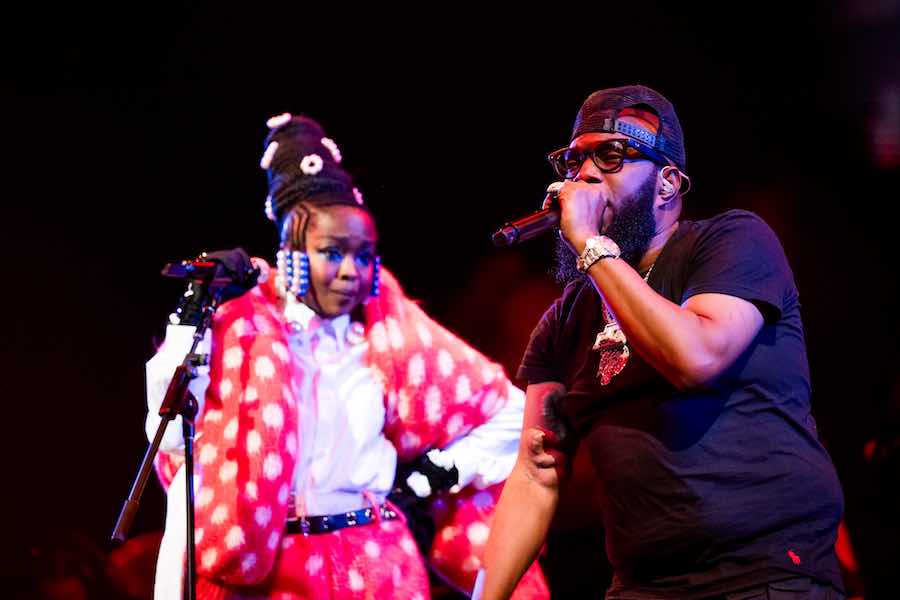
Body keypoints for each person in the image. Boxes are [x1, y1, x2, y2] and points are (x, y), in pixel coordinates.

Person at [145, 114, 548, 599]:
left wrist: (443, 469)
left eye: (363, 255)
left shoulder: (389, 335)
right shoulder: (238, 328)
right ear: (293, 249)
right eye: (332, 252)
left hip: (377, 567)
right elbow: (165, 436)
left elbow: (510, 412)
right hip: (274, 578)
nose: (350, 271)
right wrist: (195, 312)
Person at [480, 85, 846, 599]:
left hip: (765, 574)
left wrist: (589, 244)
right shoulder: (567, 320)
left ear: (668, 183)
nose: (585, 175)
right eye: (575, 160)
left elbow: (695, 357)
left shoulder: (730, 242)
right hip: (644, 585)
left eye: (611, 156)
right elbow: (537, 472)